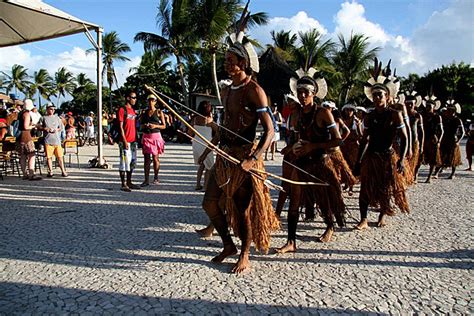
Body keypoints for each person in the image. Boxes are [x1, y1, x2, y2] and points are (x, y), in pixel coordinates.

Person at [198, 29, 279, 273]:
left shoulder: (254, 90)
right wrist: (213, 127)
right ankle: (228, 245)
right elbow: (228, 126)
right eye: (225, 61)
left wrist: (254, 159)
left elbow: (270, 131)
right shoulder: (227, 90)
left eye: (230, 61)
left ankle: (245, 253)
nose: (226, 64)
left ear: (242, 63)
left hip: (244, 157)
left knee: (242, 210)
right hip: (225, 155)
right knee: (209, 203)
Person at [277, 68, 346, 253]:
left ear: (314, 93)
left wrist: (313, 147)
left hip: (320, 162)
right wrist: (291, 148)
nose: (302, 95)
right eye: (299, 92)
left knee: (323, 200)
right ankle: (291, 241)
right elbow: (296, 138)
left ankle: (330, 226)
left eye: (306, 92)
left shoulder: (324, 113)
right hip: (301, 163)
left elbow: (338, 140)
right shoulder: (297, 114)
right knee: (294, 200)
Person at [354, 59, 409, 230]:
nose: (377, 98)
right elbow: (365, 140)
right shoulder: (369, 117)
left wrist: (400, 161)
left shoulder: (395, 115)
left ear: (387, 97)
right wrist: (358, 161)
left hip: (387, 157)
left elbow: (405, 137)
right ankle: (363, 219)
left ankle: (382, 216)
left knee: (385, 188)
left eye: (380, 95)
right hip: (371, 156)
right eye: (375, 95)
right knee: (365, 188)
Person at [190, 100, 217, 191]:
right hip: (206, 143)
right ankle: (205, 186)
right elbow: (217, 130)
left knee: (202, 165)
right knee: (209, 166)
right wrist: (212, 121)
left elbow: (190, 132)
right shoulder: (208, 119)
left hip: (197, 143)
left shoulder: (194, 119)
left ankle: (198, 184)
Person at [140, 94, 166, 186]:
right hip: (146, 136)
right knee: (146, 159)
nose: (151, 102)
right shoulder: (144, 112)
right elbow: (140, 125)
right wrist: (145, 125)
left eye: (153, 100)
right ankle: (146, 179)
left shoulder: (159, 112)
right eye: (149, 100)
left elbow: (164, 126)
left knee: (155, 158)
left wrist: (155, 126)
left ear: (155, 101)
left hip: (156, 136)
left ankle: (156, 177)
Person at [434, 101, 464, 179]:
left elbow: (462, 132)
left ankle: (452, 173)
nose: (447, 111)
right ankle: (436, 172)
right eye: (447, 110)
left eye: (449, 110)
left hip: (453, 140)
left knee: (453, 157)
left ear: (453, 111)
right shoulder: (444, 119)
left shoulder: (458, 120)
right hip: (444, 139)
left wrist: (458, 141)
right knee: (441, 156)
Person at [118, 91, 141, 192]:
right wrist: (124, 140)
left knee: (132, 162)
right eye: (133, 97)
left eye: (135, 98)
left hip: (133, 140)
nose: (135, 99)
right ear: (128, 98)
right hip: (125, 140)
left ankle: (129, 181)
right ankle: (123, 183)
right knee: (124, 162)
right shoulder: (122, 110)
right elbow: (120, 126)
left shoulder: (133, 111)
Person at [39, 103, 68, 177]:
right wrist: (44, 128)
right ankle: (50, 171)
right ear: (47, 109)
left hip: (57, 140)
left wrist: (57, 130)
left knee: (60, 157)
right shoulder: (43, 118)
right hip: (48, 140)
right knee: (49, 157)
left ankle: (63, 171)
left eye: (53, 109)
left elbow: (61, 127)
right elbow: (38, 126)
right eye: (50, 109)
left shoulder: (57, 118)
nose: (52, 110)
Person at [16, 99, 42, 180]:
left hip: (19, 137)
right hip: (26, 136)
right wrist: (34, 126)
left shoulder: (20, 113)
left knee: (22, 156)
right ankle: (31, 174)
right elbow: (26, 127)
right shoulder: (26, 114)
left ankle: (24, 174)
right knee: (32, 154)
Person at [421, 95, 444, 183]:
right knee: (420, 158)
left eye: (429, 106)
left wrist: (439, 141)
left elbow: (441, 131)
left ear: (434, 107)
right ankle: (415, 176)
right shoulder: (422, 115)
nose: (428, 108)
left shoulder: (437, 117)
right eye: (426, 106)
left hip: (433, 139)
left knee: (433, 159)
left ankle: (429, 176)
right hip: (423, 138)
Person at [404, 92, 425, 183]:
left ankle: (415, 174)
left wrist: (422, 145)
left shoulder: (417, 116)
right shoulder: (402, 115)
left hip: (414, 141)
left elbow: (422, 132)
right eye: (407, 103)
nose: (409, 105)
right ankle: (406, 176)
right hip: (404, 141)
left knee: (416, 160)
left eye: (411, 103)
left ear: (415, 104)